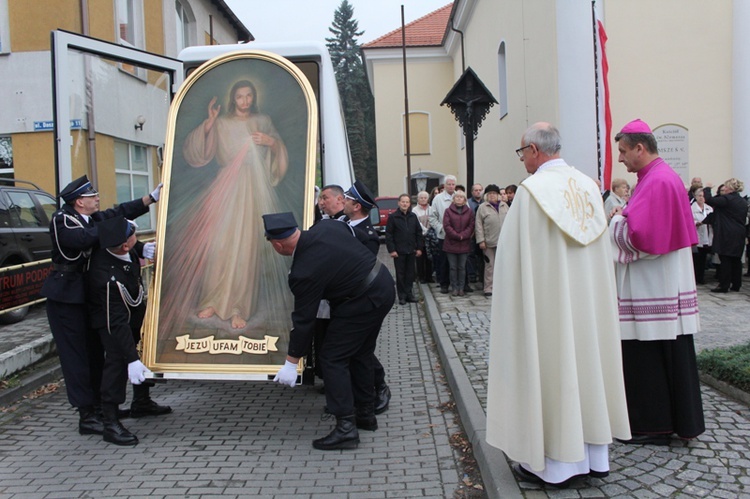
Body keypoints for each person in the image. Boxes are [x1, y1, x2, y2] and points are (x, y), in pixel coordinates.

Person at [486, 122, 630, 486]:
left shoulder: (532, 192)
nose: (522, 160)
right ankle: (595, 458)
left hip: (548, 308)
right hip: (587, 307)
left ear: (534, 150)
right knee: (585, 367)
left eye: (522, 153)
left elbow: (512, 261)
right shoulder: (588, 186)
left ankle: (555, 467)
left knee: (553, 369)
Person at [160, 79, 291, 334]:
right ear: (233, 98)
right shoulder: (221, 122)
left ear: (254, 98)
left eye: (248, 96)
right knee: (218, 245)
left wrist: (271, 142)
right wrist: (209, 122)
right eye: (240, 96)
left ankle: (238, 307)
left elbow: (278, 150)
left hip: (252, 189)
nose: (244, 101)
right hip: (225, 188)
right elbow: (196, 152)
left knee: (244, 248)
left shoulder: (262, 121)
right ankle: (212, 301)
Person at [40, 175, 160, 436]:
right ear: (79, 202)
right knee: (77, 358)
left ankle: (100, 408)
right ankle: (86, 415)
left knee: (97, 354)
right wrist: (116, 227)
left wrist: (149, 199)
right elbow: (83, 239)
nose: (97, 198)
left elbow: (116, 214)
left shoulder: (89, 218)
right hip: (65, 298)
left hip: (86, 295)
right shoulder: (63, 220)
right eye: (92, 196)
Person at [265, 213, 395, 450]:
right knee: (360, 352)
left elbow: (304, 321)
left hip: (361, 300)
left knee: (332, 358)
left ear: (277, 245)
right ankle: (365, 414)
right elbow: (350, 237)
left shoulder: (302, 271)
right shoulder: (326, 227)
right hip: (383, 285)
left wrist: (291, 363)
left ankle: (346, 428)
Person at [610, 118, 704, 445]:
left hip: (654, 288)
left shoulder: (658, 181)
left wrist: (614, 224)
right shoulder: (655, 177)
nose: (620, 158)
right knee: (663, 352)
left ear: (640, 148)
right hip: (658, 283)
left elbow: (643, 238)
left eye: (623, 151)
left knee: (648, 355)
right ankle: (668, 422)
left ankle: (654, 425)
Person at [87, 217, 171, 446]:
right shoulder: (105, 276)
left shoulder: (125, 249)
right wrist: (131, 359)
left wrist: (143, 247)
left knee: (145, 348)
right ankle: (110, 423)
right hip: (111, 322)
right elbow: (116, 324)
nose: (135, 232)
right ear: (125, 244)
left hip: (132, 312)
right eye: (132, 233)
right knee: (117, 362)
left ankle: (141, 402)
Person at [343, 180, 392, 414]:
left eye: (348, 200)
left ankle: (380, 386)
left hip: (367, 300)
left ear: (356, 207)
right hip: (347, 300)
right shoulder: (343, 225)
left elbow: (360, 271)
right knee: (358, 349)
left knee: (362, 348)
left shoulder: (368, 236)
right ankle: (360, 392)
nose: (343, 202)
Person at [704, 178, 747, 292]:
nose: (725, 189)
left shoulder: (727, 199)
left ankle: (724, 285)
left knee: (726, 259)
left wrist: (707, 188)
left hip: (727, 233)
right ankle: (736, 284)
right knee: (736, 260)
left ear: (731, 188)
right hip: (739, 232)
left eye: (726, 187)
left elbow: (709, 200)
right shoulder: (742, 201)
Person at [386, 194, 424, 305]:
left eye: (407, 202)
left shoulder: (413, 216)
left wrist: (419, 248)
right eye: (403, 202)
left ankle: (409, 294)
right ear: (399, 203)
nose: (405, 204)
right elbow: (389, 235)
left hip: (411, 250)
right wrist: (392, 250)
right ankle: (402, 296)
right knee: (400, 274)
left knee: (410, 274)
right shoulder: (393, 217)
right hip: (399, 251)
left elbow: (418, 233)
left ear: (409, 204)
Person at [474, 184, 508, 297]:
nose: (492, 196)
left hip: (503, 242)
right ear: (486, 196)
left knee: (503, 266)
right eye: (490, 194)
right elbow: (478, 225)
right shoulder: (482, 207)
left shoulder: (504, 206)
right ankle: (488, 288)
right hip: (489, 242)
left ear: (498, 195)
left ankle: (502, 287)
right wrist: (481, 240)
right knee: (490, 266)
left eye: (494, 193)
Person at [442, 190, 475, 297]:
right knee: (453, 267)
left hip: (464, 244)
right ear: (453, 199)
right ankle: (454, 288)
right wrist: (456, 235)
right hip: (451, 243)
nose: (459, 199)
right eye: (457, 197)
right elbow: (447, 226)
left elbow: (471, 225)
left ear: (465, 200)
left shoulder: (469, 212)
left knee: (462, 267)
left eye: (461, 197)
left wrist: (463, 235)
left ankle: (461, 288)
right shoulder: (448, 211)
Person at [429, 175, 457, 293]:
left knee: (459, 261)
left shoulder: (460, 196)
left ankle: (459, 284)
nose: (451, 186)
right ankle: (444, 284)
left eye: (453, 184)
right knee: (444, 261)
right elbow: (432, 217)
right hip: (443, 235)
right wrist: (440, 228)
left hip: (458, 235)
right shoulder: (438, 199)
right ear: (444, 186)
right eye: (449, 184)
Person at [691, 187, 713, 285]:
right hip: (697, 234)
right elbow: (689, 220)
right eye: (699, 196)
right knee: (696, 258)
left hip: (707, 235)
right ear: (695, 197)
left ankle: (701, 277)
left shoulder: (709, 208)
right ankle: (695, 278)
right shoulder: (691, 208)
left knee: (703, 258)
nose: (701, 198)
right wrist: (696, 223)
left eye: (703, 196)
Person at [413, 191, 434, 283]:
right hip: (420, 236)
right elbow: (417, 223)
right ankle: (421, 277)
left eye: (425, 197)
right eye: (421, 197)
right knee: (420, 257)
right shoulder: (415, 210)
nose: (423, 199)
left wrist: (430, 231)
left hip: (431, 236)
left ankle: (429, 276)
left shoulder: (432, 208)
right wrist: (425, 231)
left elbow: (433, 220)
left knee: (429, 257)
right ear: (418, 199)